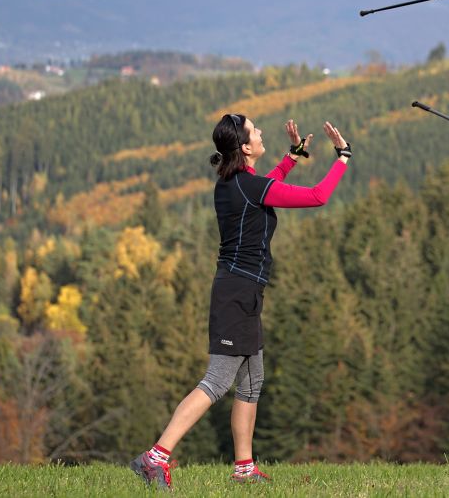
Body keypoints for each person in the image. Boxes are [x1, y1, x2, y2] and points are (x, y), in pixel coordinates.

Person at [130, 114, 352, 489]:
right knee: (217, 381)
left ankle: (244, 468)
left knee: (252, 380)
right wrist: (342, 156)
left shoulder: (233, 182)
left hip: (241, 292)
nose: (262, 131)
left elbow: (266, 186)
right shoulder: (248, 185)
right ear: (246, 147)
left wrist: (292, 157)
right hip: (237, 294)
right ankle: (155, 457)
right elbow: (318, 196)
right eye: (256, 130)